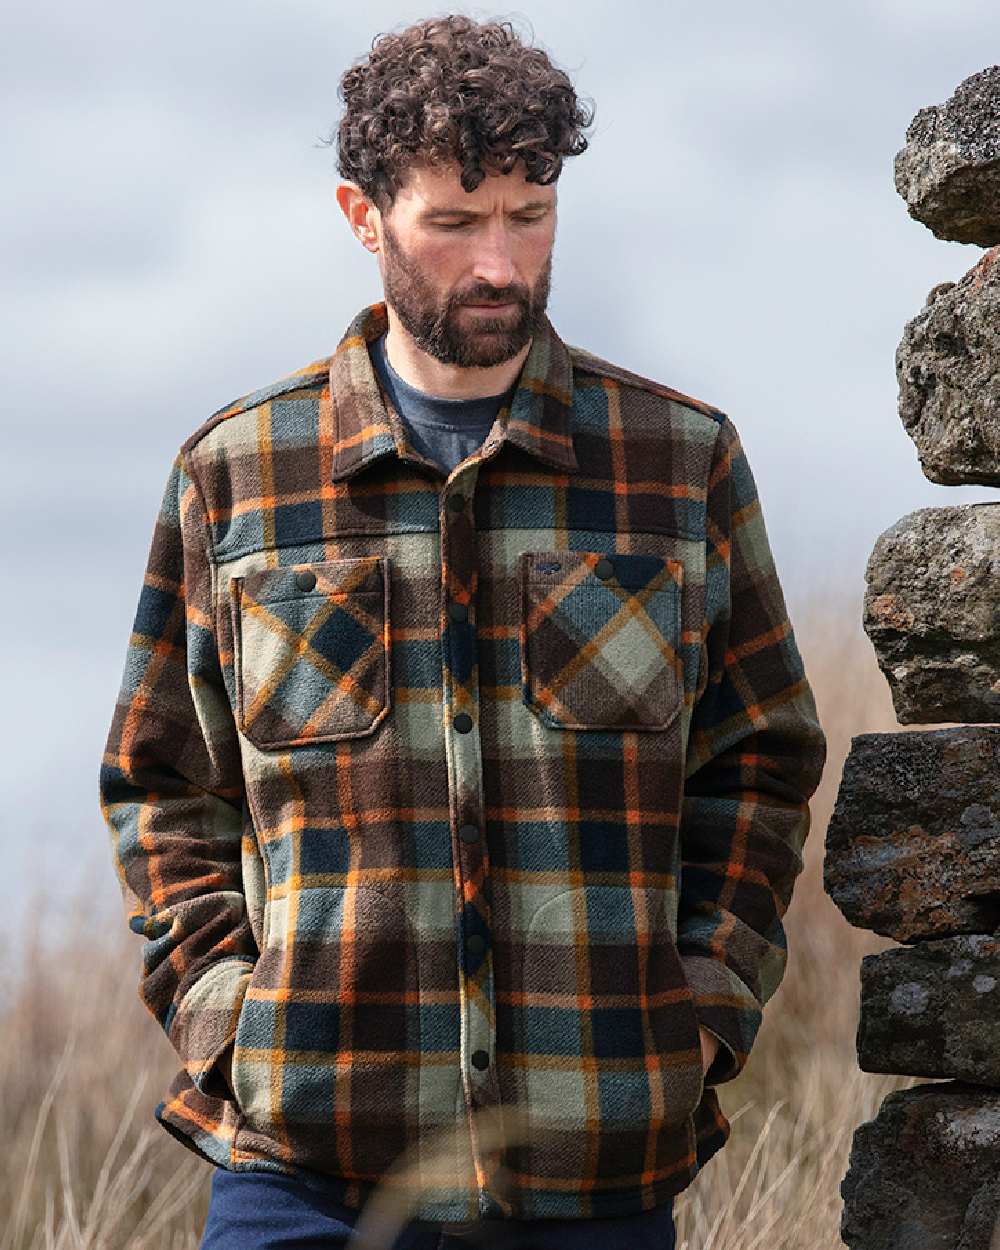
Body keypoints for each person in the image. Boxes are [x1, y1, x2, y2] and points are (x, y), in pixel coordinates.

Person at [98, 13, 827, 1250]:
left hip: (592, 1164)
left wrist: (702, 1004)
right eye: (454, 222)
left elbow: (760, 760)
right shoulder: (234, 475)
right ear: (361, 214)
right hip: (305, 1165)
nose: (500, 263)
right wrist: (226, 1015)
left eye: (530, 216)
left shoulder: (680, 462)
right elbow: (160, 779)